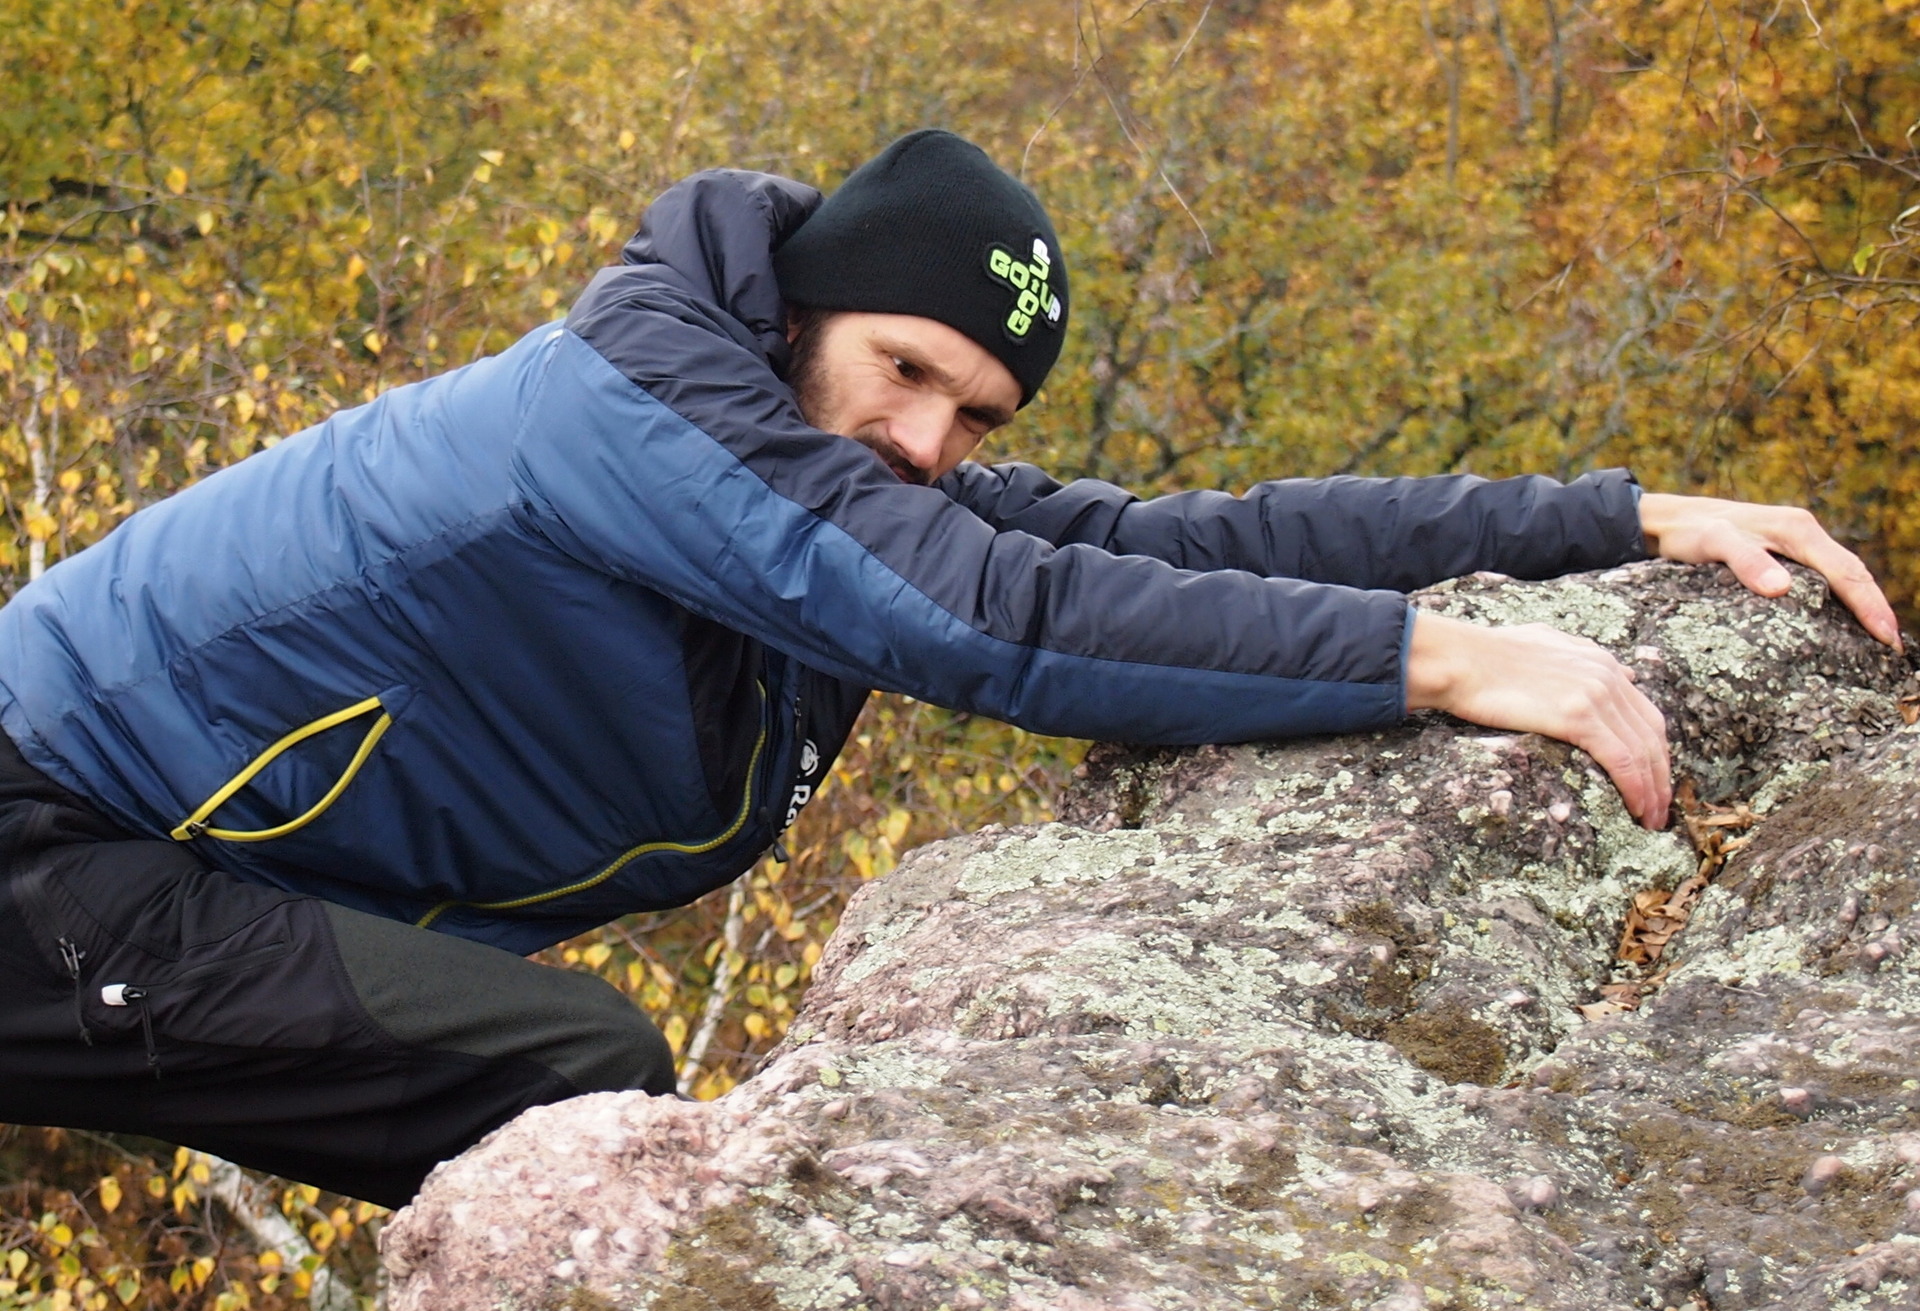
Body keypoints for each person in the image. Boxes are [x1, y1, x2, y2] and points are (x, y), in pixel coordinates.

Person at [0, 131, 1899, 1208]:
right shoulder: (635, 413)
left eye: (970, 415)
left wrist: (1619, 515)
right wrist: (1447, 662)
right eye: (903, 367)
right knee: (576, 1089)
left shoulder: (807, 459)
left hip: (146, 869)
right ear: (808, 306)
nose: (924, 439)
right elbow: (998, 625)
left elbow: (1166, 547)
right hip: (37, 845)